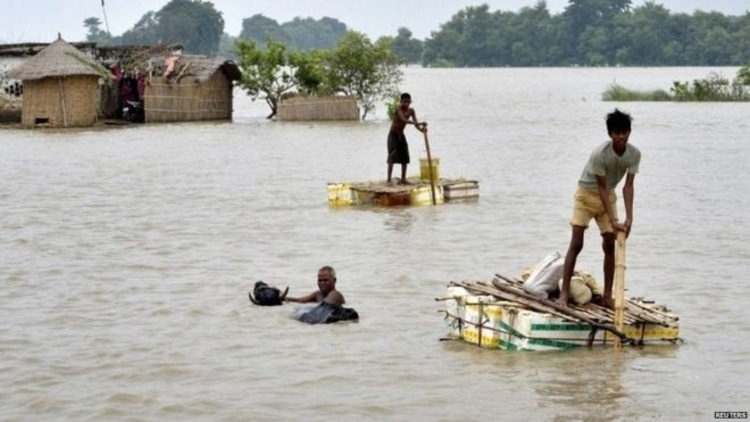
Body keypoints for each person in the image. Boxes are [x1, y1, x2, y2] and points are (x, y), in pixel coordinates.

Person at [559, 109, 641, 309]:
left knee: (609, 244)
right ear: (610, 135)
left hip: (608, 196)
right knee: (576, 244)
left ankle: (607, 296)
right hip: (586, 195)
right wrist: (614, 220)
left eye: (624, 132)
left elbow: (628, 186)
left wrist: (629, 218)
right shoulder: (600, 154)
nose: (621, 137)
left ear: (629, 133)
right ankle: (563, 295)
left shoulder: (634, 154)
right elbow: (600, 188)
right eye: (616, 133)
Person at [387, 93, 427, 185]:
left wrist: (422, 130)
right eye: (405, 102)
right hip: (393, 134)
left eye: (408, 102)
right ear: (401, 102)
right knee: (392, 156)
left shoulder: (411, 111)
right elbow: (403, 120)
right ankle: (388, 180)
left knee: (405, 156)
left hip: (401, 134)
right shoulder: (398, 109)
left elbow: (416, 124)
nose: (407, 104)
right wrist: (420, 122)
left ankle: (403, 179)